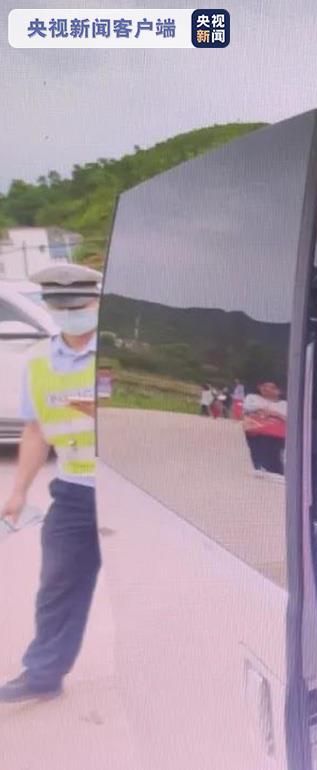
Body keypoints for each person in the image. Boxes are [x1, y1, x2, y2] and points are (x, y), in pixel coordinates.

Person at [0, 264, 104, 703]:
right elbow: (36, 430)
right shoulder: (39, 359)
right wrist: (18, 492)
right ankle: (43, 675)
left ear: (96, 302)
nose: (71, 315)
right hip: (73, 489)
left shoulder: (115, 356)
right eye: (62, 307)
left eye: (79, 306)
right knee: (57, 582)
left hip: (126, 491)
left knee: (144, 584)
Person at [242, 381, 286, 474]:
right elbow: (248, 408)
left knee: (274, 458)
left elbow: (288, 418)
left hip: (276, 436)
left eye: (271, 387)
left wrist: (274, 414)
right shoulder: (252, 398)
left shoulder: (284, 404)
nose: (266, 389)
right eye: (263, 386)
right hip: (254, 433)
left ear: (279, 391)